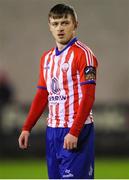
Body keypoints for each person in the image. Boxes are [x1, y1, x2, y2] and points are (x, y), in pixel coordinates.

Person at [18, 3, 98, 179]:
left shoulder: (83, 54)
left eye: (65, 23)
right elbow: (42, 94)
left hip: (76, 129)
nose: (60, 28)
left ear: (75, 24)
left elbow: (89, 97)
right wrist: (27, 127)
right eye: (55, 24)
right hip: (52, 132)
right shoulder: (46, 58)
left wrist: (74, 131)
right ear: (49, 27)